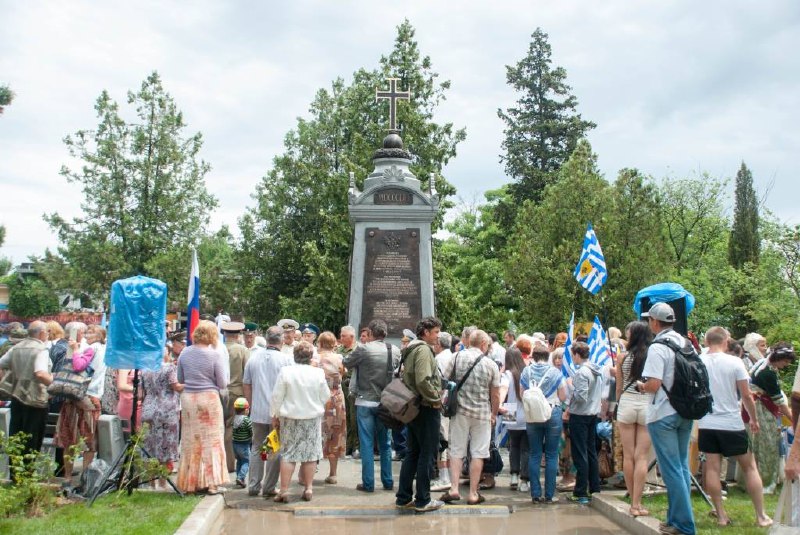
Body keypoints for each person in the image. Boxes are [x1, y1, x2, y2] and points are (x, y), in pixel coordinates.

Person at [698, 327, 772, 528]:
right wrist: (754, 419)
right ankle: (761, 516)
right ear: (726, 340)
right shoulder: (735, 362)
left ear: (706, 341)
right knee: (749, 467)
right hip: (731, 422)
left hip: (707, 422)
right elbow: (746, 395)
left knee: (712, 468)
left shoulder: (699, 361)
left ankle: (721, 515)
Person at [636, 302, 696, 535]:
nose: (648, 323)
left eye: (649, 319)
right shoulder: (685, 342)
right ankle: (674, 519)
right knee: (679, 467)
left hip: (663, 413)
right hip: (685, 411)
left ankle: (684, 525)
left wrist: (641, 387)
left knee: (671, 469)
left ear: (655, 322)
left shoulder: (658, 347)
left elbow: (653, 384)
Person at [440, 329, 501, 506]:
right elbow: (495, 394)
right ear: (483, 344)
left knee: (456, 450)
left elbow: (443, 380)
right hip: (482, 414)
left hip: (459, 412)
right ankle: (473, 493)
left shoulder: (457, 357)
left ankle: (454, 489)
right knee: (478, 453)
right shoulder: (491, 364)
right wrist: (494, 414)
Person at [343, 319, 400, 493]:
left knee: (366, 444)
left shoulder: (363, 348)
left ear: (372, 333)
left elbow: (346, 362)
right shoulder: (395, 350)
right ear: (385, 333)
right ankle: (388, 481)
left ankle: (368, 483)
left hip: (365, 400)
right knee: (385, 444)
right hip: (385, 402)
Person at [395, 317, 445, 513]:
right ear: (425, 332)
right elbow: (423, 380)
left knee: (413, 453)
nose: (437, 336)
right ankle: (423, 500)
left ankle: (403, 497)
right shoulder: (423, 350)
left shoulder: (411, 349)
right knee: (427, 454)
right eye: (435, 332)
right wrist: (436, 400)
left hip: (414, 407)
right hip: (425, 407)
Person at [271, 341, 330, 502]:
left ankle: (283, 491)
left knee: (288, 454)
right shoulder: (318, 373)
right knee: (310, 455)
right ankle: (309, 488)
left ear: (294, 356)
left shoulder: (286, 372)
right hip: (311, 418)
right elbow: (325, 396)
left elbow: (277, 396)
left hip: (290, 418)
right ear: (311, 357)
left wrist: (274, 415)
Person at [176, 320, 228, 494]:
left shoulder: (184, 352)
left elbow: (180, 378)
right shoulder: (215, 355)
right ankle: (212, 483)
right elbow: (222, 383)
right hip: (208, 399)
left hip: (189, 398)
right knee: (212, 440)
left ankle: (191, 483)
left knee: (191, 441)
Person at [243, 325, 295, 497]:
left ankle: (253, 485)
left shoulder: (254, 358)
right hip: (277, 413)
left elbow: (247, 384)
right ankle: (269, 487)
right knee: (273, 449)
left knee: (257, 447)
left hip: (257, 411)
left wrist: (250, 405)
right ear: (280, 339)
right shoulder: (285, 360)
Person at [54, 324, 107, 487]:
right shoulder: (98, 349)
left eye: (91, 332)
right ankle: (83, 479)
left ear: (100, 335)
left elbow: (78, 366)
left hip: (82, 396)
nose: (87, 334)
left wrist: (76, 350)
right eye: (86, 331)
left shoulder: (93, 349)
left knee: (75, 438)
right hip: (88, 397)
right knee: (86, 439)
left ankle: (71, 477)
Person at [0, 321, 52, 467]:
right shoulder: (41, 350)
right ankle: (27, 475)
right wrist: (54, 384)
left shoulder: (16, 347)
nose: (48, 334)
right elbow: (41, 373)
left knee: (16, 435)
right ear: (41, 333)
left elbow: (1, 364)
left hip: (16, 396)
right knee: (32, 438)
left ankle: (16, 473)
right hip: (35, 399)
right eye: (47, 331)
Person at [615, 321, 653, 517]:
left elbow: (619, 387)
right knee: (642, 457)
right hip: (647, 403)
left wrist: (616, 405)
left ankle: (631, 500)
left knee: (628, 456)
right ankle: (637, 502)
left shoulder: (622, 357)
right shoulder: (652, 357)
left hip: (627, 404)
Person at [521, 345, 567, 503]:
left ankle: (535, 494)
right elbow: (562, 396)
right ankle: (549, 494)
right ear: (548, 357)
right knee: (551, 454)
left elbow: (522, 394)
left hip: (533, 415)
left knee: (535, 454)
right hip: (552, 412)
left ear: (533, 356)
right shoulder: (555, 372)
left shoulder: (526, 372)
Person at [749, 342, 796, 493]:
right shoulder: (767, 372)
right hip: (762, 409)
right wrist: (794, 420)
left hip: (756, 406)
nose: (786, 365)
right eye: (785, 361)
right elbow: (779, 401)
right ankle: (765, 483)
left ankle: (753, 480)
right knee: (768, 445)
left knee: (757, 445)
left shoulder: (763, 363)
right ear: (779, 358)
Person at [141, 331, 183, 487]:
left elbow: (141, 392)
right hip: (166, 409)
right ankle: (163, 484)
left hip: (148, 407)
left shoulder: (145, 369)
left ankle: (150, 483)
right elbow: (176, 387)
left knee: (150, 446)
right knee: (165, 447)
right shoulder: (169, 368)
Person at [565, 341, 603, 505]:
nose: (572, 358)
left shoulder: (581, 373)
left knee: (580, 454)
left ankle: (580, 491)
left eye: (572, 354)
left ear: (577, 354)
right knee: (591, 452)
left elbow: (581, 397)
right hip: (592, 414)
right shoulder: (595, 370)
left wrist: (571, 386)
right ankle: (594, 487)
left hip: (580, 416)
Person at [499, 346, 530, 492]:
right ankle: (525, 480)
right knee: (526, 448)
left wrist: (498, 404)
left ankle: (513, 475)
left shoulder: (507, 374)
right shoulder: (527, 372)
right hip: (527, 413)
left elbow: (503, 389)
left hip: (510, 410)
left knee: (514, 446)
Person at [221, 321, 250, 474]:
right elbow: (248, 374)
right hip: (237, 393)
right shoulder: (242, 350)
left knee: (220, 426)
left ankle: (224, 462)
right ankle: (230, 463)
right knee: (231, 427)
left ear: (224, 334)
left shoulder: (216, 348)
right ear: (238, 334)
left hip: (219, 392)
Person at [318, 331, 346, 484]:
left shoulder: (315, 358)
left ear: (320, 343)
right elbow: (343, 373)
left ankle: (306, 472)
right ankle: (333, 473)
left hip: (319, 398)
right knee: (335, 433)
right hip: (336, 399)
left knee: (317, 432)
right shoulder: (339, 358)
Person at [430, 331, 454, 492]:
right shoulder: (453, 356)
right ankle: (450, 476)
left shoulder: (438, 359)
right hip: (452, 405)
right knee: (450, 441)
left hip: (442, 405)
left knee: (442, 442)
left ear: (439, 344)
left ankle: (444, 478)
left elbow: (437, 385)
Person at [336, 325, 360, 459]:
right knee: (343, 417)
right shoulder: (339, 350)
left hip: (353, 386)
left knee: (354, 417)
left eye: (343, 336)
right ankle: (345, 445)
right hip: (341, 386)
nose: (341, 338)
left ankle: (355, 446)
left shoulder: (358, 349)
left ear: (351, 337)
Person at [232, 397, 253, 488]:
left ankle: (239, 477)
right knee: (246, 461)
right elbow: (251, 430)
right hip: (244, 444)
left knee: (239, 461)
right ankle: (241, 477)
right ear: (245, 410)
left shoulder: (235, 419)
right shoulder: (246, 420)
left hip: (235, 444)